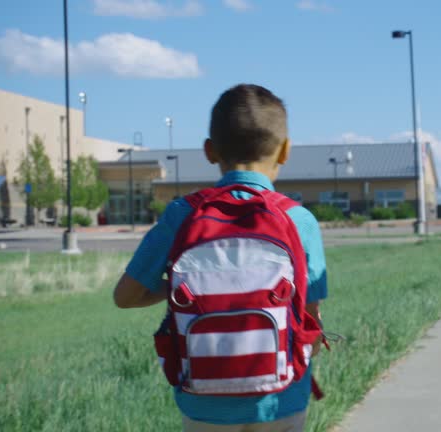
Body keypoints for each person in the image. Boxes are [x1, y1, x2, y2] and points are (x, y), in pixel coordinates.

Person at [113, 84, 328, 432]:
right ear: (285, 151)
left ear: (209, 151)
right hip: (281, 401)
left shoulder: (181, 215)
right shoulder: (299, 221)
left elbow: (125, 297)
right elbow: (312, 328)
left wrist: (180, 289)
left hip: (203, 401)